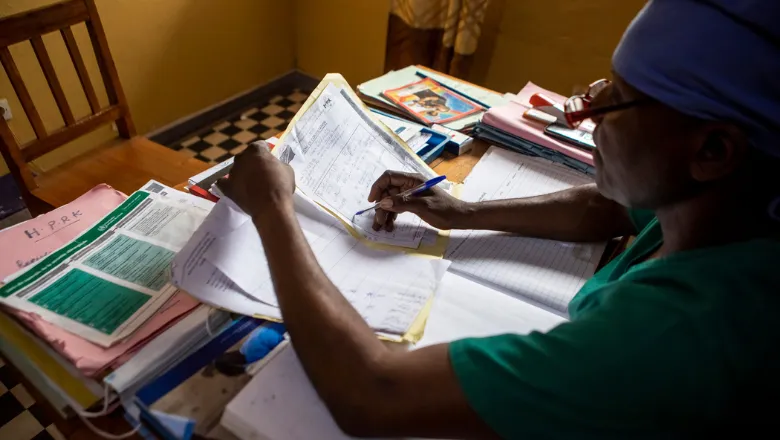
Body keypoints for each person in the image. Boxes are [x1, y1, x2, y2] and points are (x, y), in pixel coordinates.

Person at [217, 0, 780, 437]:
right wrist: (462, 211)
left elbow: (373, 394)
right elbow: (605, 207)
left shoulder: (676, 336)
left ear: (712, 152)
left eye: (619, 100)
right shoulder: (728, 210)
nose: (582, 112)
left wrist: (272, 207)